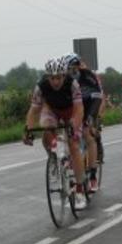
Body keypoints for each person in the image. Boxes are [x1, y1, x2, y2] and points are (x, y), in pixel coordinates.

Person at [22, 57, 87, 209]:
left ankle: (79, 190)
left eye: (59, 78)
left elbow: (79, 109)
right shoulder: (41, 86)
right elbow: (34, 111)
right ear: (48, 77)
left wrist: (74, 125)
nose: (55, 81)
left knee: (73, 145)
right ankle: (54, 157)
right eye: (52, 78)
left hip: (71, 111)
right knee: (46, 128)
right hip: (52, 111)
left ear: (64, 75)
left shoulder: (73, 84)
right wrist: (28, 130)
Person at [64, 53, 103, 193]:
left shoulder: (88, 75)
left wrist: (91, 117)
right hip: (74, 107)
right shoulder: (65, 79)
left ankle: (92, 176)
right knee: (68, 133)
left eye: (72, 68)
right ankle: (71, 160)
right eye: (67, 69)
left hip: (90, 105)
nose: (69, 72)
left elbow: (98, 97)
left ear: (78, 67)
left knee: (88, 135)